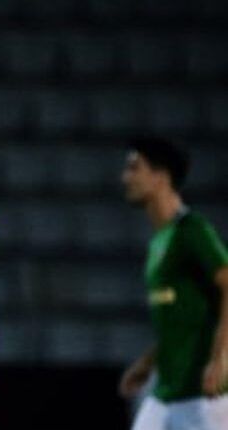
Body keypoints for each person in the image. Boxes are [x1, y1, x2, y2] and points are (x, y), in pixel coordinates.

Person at [119, 137, 228, 429]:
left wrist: (220, 358)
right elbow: (184, 319)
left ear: (160, 176)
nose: (125, 177)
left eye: (134, 168)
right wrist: (148, 361)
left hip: (203, 394)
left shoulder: (193, 230)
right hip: (166, 391)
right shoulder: (160, 241)